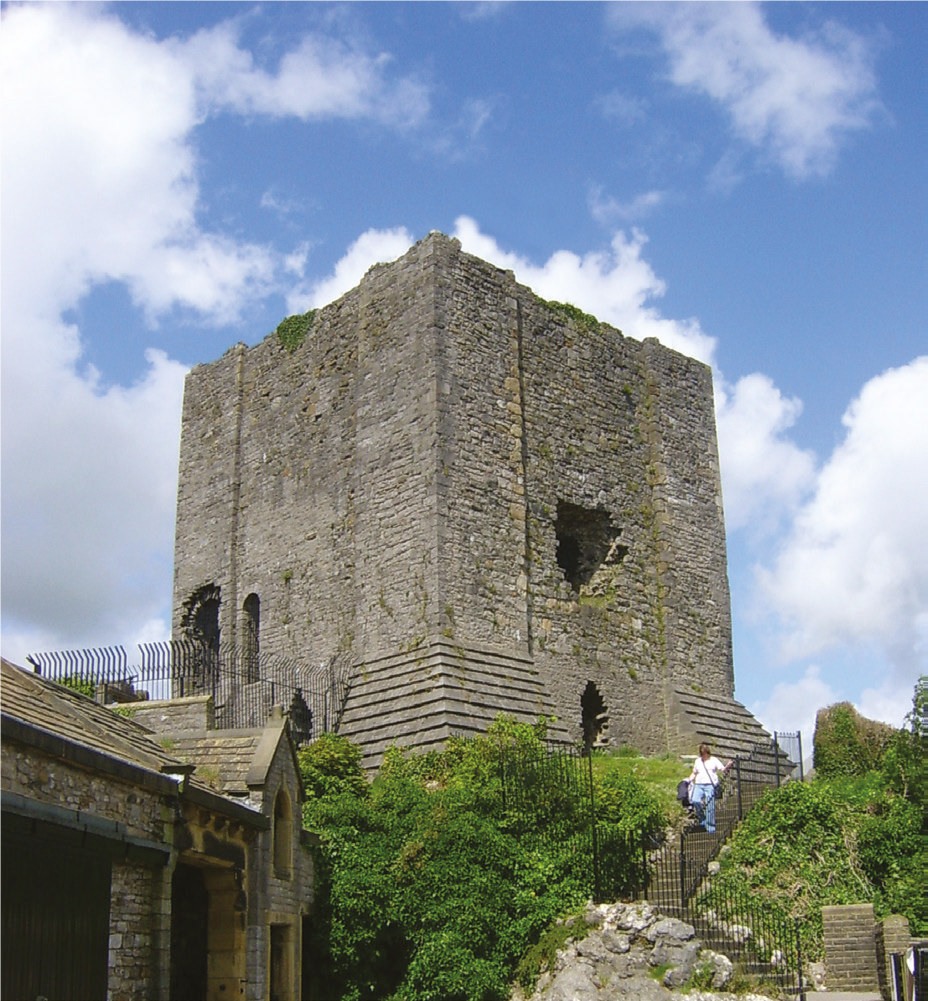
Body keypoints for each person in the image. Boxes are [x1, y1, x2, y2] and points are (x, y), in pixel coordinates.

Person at [687, 743, 732, 833]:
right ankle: (702, 818)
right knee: (695, 800)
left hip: (710, 785)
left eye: (705, 754)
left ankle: (710, 827)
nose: (703, 756)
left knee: (710, 805)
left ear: (708, 753)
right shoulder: (698, 761)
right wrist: (689, 780)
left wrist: (728, 765)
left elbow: (723, 769)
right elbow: (695, 773)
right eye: (702, 754)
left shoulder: (714, 760)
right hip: (699, 784)